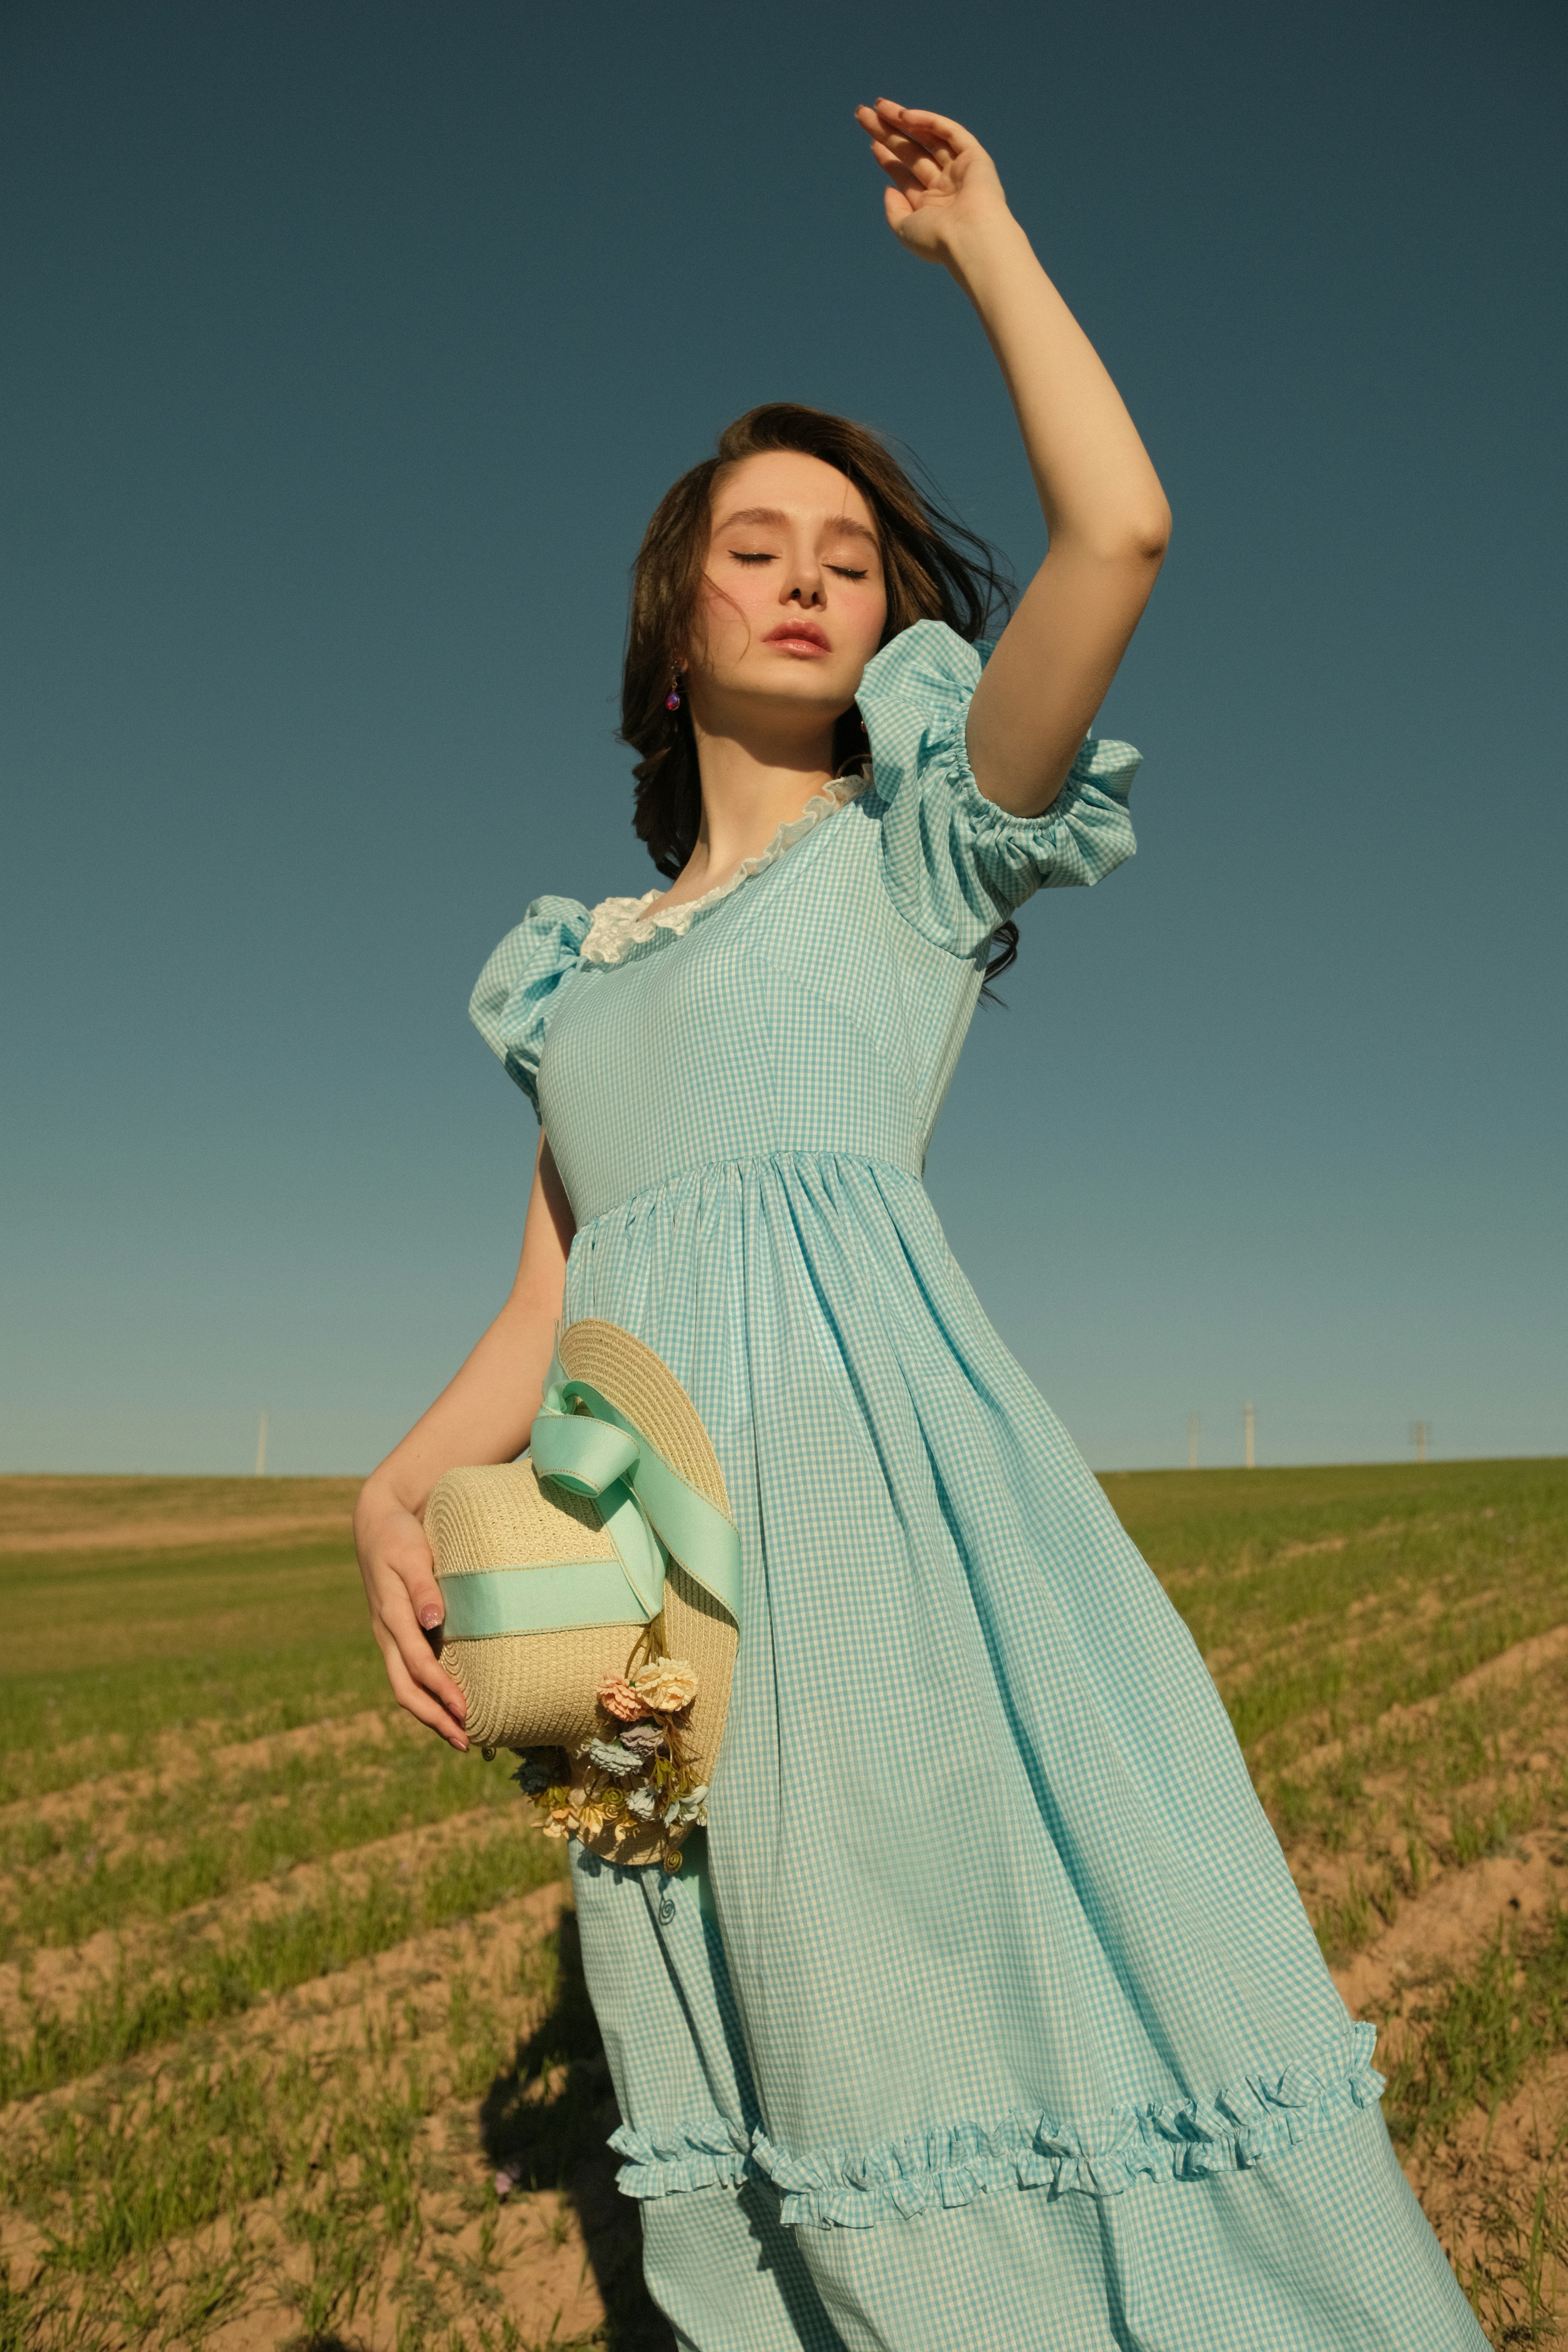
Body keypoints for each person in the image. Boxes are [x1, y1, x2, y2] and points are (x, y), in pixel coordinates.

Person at [355, 98, 1486, 2352]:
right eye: (755, 543)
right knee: (729, 2024)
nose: (807, 573)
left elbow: (1123, 530)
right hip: (635, 1539)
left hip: (873, 1514)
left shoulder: (924, 848)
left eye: (852, 555)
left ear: (889, 624)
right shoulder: (570, 969)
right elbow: (551, 1290)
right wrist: (388, 1480)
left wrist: (981, 245)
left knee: (946, 2005)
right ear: (671, 622)